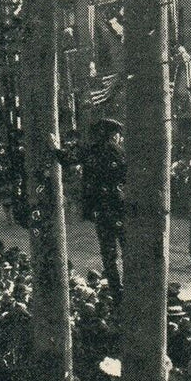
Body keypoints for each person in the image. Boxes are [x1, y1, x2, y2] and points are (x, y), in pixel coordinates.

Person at [63, 119, 127, 293]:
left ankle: (115, 288)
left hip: (99, 210)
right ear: (114, 135)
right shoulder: (119, 152)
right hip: (120, 208)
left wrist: (55, 149)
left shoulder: (90, 151)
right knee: (128, 249)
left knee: (108, 253)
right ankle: (130, 285)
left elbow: (67, 159)